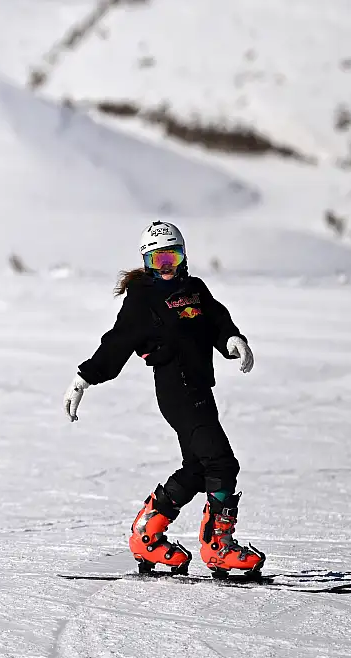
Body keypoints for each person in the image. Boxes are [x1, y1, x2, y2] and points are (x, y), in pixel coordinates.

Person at [63, 222, 264, 577]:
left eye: (172, 257)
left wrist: (233, 339)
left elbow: (217, 320)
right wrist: (84, 378)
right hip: (176, 390)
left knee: (200, 468)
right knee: (221, 464)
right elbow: (117, 342)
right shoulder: (142, 300)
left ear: (184, 256)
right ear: (147, 262)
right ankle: (218, 548)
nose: (167, 267)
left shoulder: (196, 289)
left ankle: (147, 534)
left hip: (201, 389)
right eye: (158, 261)